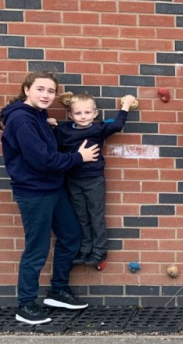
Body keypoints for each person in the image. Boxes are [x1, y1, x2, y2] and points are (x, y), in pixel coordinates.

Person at [0, 71, 97, 325]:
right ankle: (26, 305)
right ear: (27, 89)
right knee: (37, 247)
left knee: (71, 235)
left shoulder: (38, 116)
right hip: (34, 192)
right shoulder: (22, 119)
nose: (46, 95)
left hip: (53, 188)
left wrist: (49, 126)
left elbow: (42, 147)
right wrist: (79, 158)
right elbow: (41, 160)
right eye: (40, 89)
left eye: (51, 91)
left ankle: (57, 291)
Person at [53, 91, 138, 268]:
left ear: (95, 114)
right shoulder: (63, 131)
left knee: (96, 216)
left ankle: (99, 250)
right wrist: (47, 123)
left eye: (87, 113)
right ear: (70, 115)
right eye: (78, 113)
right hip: (72, 180)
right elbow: (49, 141)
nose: (83, 117)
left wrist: (126, 105)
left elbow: (117, 125)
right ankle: (85, 249)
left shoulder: (97, 129)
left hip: (93, 180)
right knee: (81, 216)